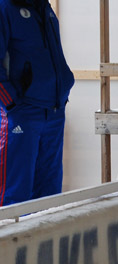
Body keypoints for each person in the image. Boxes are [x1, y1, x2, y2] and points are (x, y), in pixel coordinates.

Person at [0, 0, 75, 206]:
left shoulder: (44, 7)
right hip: (22, 114)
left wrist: (61, 92)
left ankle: (45, 238)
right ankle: (10, 239)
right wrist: (12, 105)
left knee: (49, 193)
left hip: (54, 110)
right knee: (15, 194)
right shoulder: (5, 8)